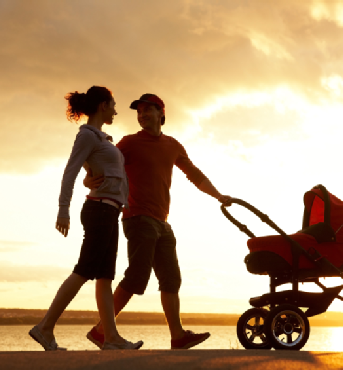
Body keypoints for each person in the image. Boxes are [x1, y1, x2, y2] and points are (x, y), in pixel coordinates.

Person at [84, 93, 231, 350]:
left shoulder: (172, 145)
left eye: (147, 110)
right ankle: (101, 331)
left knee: (172, 279)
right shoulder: (129, 143)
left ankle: (178, 337)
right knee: (137, 277)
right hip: (138, 217)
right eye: (139, 112)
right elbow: (101, 159)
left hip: (162, 222)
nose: (142, 115)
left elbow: (194, 174)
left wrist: (218, 195)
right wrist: (89, 178)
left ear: (161, 113)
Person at [29, 86, 143, 351]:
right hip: (99, 211)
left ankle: (110, 337)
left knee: (105, 277)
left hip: (110, 210)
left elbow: (92, 172)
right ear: (103, 105)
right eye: (113, 104)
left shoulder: (102, 139)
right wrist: (62, 209)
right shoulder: (87, 136)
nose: (115, 109)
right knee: (83, 271)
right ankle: (45, 327)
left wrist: (90, 178)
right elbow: (70, 171)